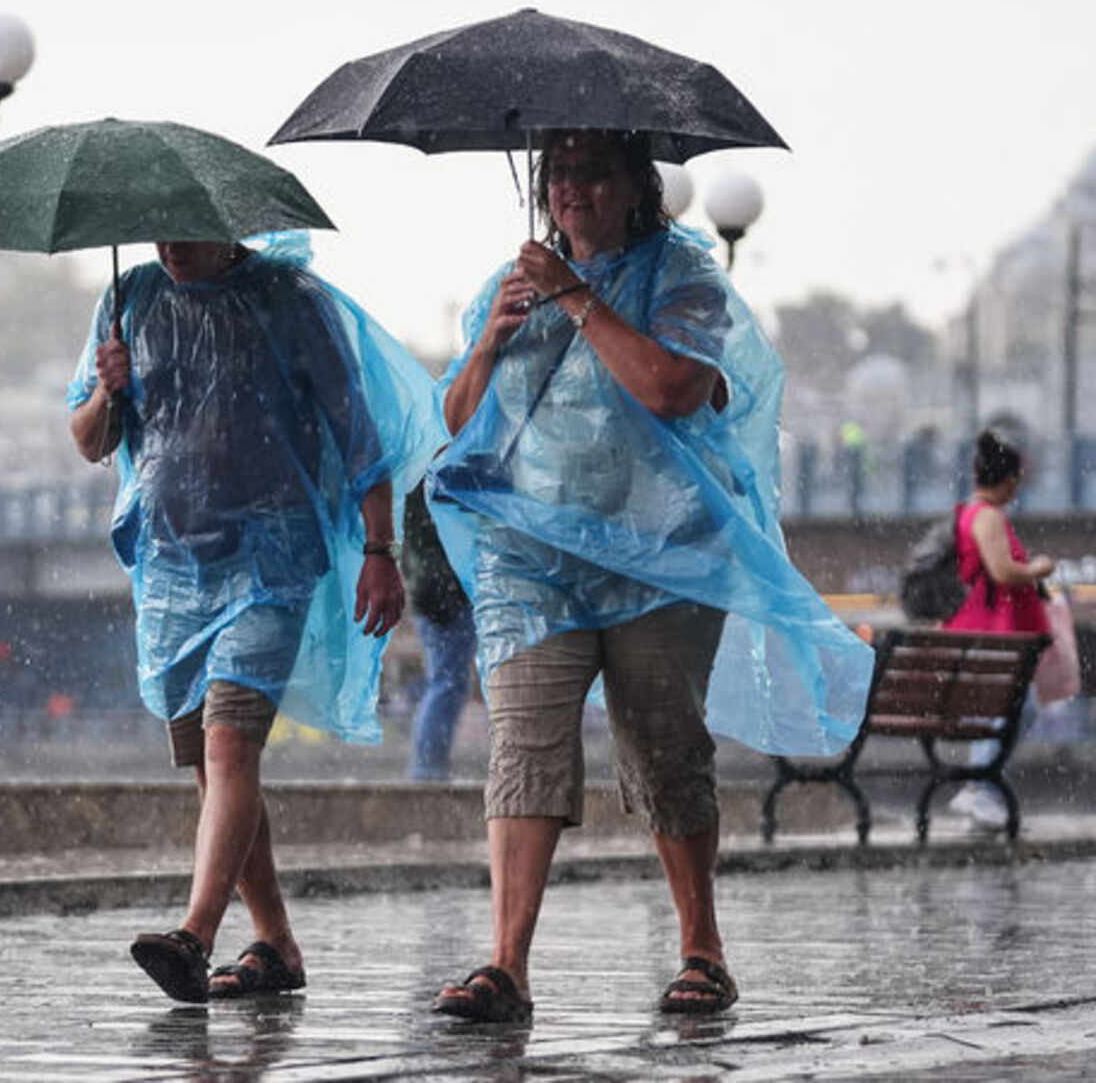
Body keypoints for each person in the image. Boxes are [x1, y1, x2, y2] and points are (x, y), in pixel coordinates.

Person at [425, 129, 874, 1023]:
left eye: (592, 171)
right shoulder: (509, 283)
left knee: (664, 747)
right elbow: (458, 416)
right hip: (530, 558)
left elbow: (672, 388)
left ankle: (701, 947)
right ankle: (507, 964)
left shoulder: (688, 281)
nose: (570, 189)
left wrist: (577, 299)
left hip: (659, 556)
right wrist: (489, 344)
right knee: (523, 743)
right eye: (558, 172)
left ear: (639, 185)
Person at [68, 233, 441, 1003]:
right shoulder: (130, 299)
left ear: (231, 222)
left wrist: (380, 549)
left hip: (269, 560)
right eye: (161, 227)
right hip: (173, 573)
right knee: (214, 770)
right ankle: (275, 943)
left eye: (190, 228)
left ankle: (194, 935)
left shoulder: (288, 301)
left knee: (232, 744)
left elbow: (358, 436)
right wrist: (109, 389)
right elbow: (89, 440)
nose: (172, 244)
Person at [943, 429, 1054, 830]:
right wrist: (1038, 568)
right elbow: (1002, 571)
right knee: (1009, 709)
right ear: (1008, 481)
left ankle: (982, 790)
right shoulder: (987, 516)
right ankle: (979, 788)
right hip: (991, 628)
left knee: (1005, 710)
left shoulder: (971, 513)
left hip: (986, 627)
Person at [401, 485, 476, 781]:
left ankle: (428, 767)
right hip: (445, 590)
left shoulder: (412, 476)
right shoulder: (433, 479)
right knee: (448, 681)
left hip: (429, 586)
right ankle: (427, 769)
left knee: (447, 679)